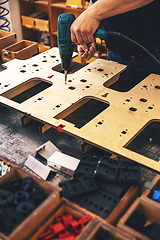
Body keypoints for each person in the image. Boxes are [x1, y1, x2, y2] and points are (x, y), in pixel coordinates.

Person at [70, 0, 160, 91]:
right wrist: (88, 31)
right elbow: (94, 2)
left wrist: (92, 14)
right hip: (115, 59)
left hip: (153, 58)